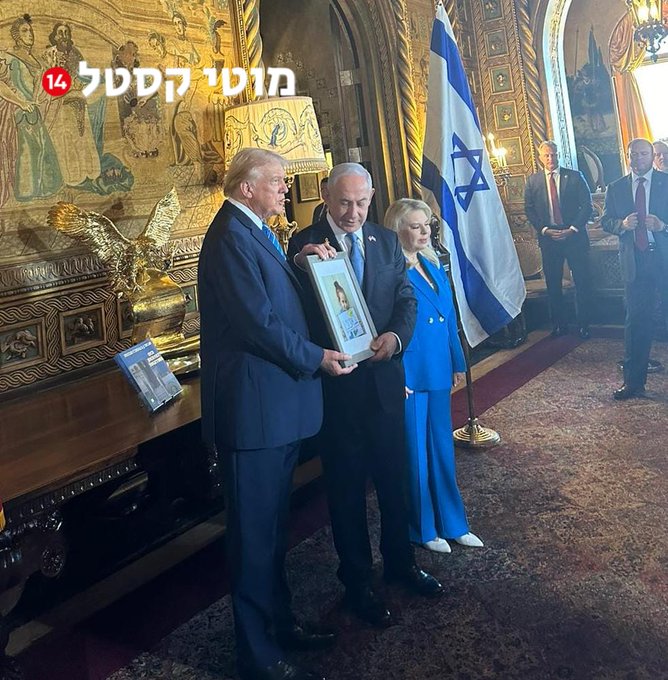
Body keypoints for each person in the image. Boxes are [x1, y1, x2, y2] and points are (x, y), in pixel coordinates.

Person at [198, 148, 354, 680]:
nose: (286, 189)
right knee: (253, 541)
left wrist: (300, 261)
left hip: (276, 408)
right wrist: (316, 357)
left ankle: (280, 626)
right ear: (247, 187)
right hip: (254, 413)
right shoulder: (229, 237)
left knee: (271, 533)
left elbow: (272, 293)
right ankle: (257, 656)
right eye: (277, 181)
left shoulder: (254, 231)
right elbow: (257, 323)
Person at [288, 163, 443, 631]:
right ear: (325, 195)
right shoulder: (303, 244)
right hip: (338, 392)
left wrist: (395, 338)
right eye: (343, 203)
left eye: (360, 203)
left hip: (384, 384)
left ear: (372, 197)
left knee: (395, 482)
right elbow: (293, 301)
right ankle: (357, 582)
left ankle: (400, 563)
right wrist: (302, 262)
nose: (352, 213)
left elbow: (405, 300)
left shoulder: (385, 240)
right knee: (346, 492)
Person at [385, 198, 483, 554]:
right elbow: (386, 326)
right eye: (415, 226)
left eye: (427, 225)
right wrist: (394, 374)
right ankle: (423, 528)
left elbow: (448, 316)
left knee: (442, 448)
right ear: (398, 230)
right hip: (410, 372)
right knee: (415, 455)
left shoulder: (433, 262)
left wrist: (457, 361)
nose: (425, 231)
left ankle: (454, 524)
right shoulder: (391, 271)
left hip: (438, 366)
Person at [602, 138, 668, 400]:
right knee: (636, 322)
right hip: (635, 263)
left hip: (664, 259)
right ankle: (633, 383)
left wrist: (662, 226)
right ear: (627, 157)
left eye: (643, 154)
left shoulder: (665, 183)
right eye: (633, 154)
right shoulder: (616, 188)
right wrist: (621, 224)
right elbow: (606, 221)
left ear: (652, 156)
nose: (638, 158)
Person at [524, 140, 594, 338]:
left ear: (559, 155)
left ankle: (584, 324)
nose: (550, 159)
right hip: (549, 239)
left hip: (574, 237)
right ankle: (559, 325)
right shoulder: (533, 181)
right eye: (546, 155)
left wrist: (572, 229)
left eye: (553, 154)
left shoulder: (575, 176)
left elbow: (587, 206)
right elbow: (529, 209)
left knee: (582, 281)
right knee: (553, 284)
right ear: (540, 157)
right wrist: (545, 230)